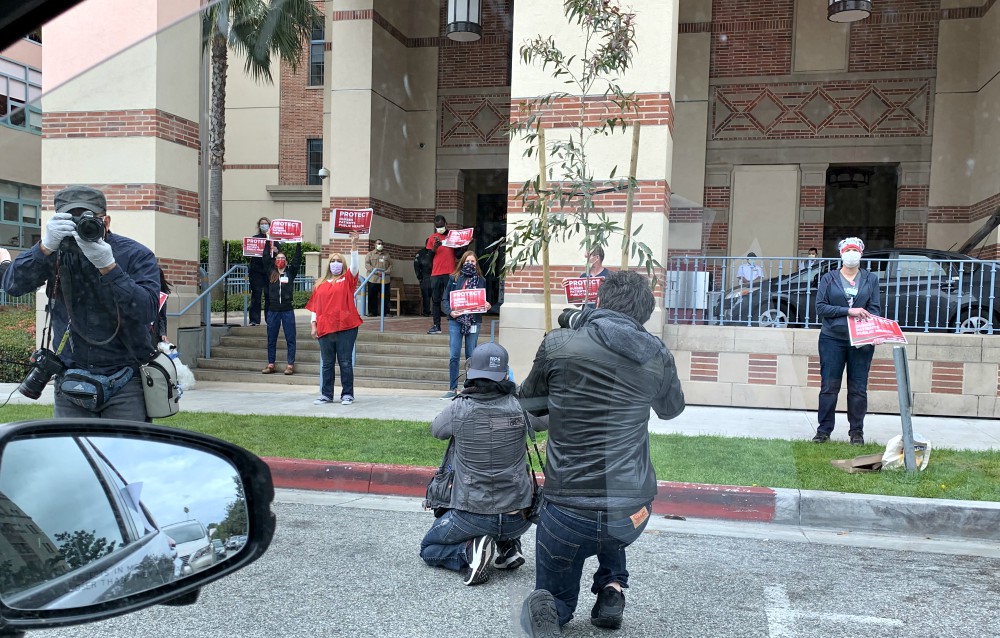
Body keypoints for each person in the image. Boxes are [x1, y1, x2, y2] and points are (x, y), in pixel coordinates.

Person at [518, 270, 685, 637]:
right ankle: (612, 588)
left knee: (553, 597)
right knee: (610, 520)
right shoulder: (656, 352)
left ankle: (555, 609)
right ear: (644, 312)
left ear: (600, 300)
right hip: (633, 514)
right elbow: (672, 409)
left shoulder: (558, 343)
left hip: (566, 511)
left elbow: (529, 403)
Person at [1, 185, 160, 421]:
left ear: (105, 221)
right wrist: (44, 247)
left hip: (125, 379)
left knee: (124, 455)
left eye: (87, 219)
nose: (78, 227)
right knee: (72, 456)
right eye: (69, 219)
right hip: (70, 379)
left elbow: (147, 310)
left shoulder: (135, 254)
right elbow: (13, 286)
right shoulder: (55, 251)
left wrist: (109, 267)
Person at [419, 342, 536, 586]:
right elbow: (547, 420)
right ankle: (509, 548)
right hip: (519, 517)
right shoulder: (521, 407)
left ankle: (469, 552)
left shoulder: (459, 408)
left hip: (473, 516)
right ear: (505, 375)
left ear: (471, 374)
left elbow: (436, 430)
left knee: (428, 547)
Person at [813, 236, 881, 446]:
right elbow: (820, 308)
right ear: (841, 254)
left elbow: (874, 309)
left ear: (861, 253)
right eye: (848, 250)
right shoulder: (829, 278)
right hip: (832, 339)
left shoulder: (871, 279)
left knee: (858, 388)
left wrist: (876, 331)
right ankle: (824, 430)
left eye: (855, 250)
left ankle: (856, 432)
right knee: (829, 386)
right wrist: (848, 311)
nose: (851, 254)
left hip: (861, 342)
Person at [306, 231, 362, 405]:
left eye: (339, 261)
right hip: (325, 327)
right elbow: (316, 307)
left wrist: (354, 245)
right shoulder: (320, 284)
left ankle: (347, 394)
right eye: (333, 261)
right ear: (328, 265)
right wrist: (313, 325)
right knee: (327, 363)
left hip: (346, 326)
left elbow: (354, 266)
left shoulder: (347, 280)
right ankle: (326, 394)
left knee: (345, 361)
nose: (335, 264)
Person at [440, 251, 491, 400]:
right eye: (467, 261)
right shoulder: (454, 278)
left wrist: (487, 305)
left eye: (473, 262)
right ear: (462, 262)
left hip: (474, 321)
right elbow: (445, 300)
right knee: (454, 355)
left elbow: (485, 301)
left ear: (476, 264)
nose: (470, 264)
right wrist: (450, 312)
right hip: (456, 321)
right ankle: (452, 388)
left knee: (471, 355)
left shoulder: (481, 280)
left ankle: (469, 386)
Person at [260, 239, 302, 376]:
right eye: (278, 258)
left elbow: (297, 260)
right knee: (271, 338)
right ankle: (271, 364)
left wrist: (298, 243)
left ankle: (290, 365)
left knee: (291, 337)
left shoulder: (290, 273)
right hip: (273, 311)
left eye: (283, 258)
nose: (280, 260)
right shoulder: (271, 272)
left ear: (286, 261)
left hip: (287, 310)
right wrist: (267, 241)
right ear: (275, 260)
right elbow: (265, 258)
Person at [426, 214, 456, 334]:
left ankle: (454, 325)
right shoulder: (432, 238)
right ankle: (436, 326)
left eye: (442, 226)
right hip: (436, 273)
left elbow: (458, 254)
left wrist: (466, 244)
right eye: (437, 226)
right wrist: (434, 248)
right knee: (436, 300)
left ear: (446, 224)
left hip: (450, 272)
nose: (440, 228)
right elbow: (428, 259)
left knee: (451, 300)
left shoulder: (453, 236)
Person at [247, 216, 271, 326]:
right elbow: (251, 252)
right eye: (262, 223)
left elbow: (280, 254)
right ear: (259, 225)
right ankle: (254, 320)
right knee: (256, 295)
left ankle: (270, 319)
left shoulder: (273, 239)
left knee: (269, 296)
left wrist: (275, 250)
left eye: (266, 223)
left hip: (269, 272)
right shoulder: (255, 238)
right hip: (256, 271)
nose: (264, 225)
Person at [364, 238, 392, 317]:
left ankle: (386, 312)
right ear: (375, 245)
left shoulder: (387, 255)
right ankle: (372, 312)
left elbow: (391, 265)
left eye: (381, 244)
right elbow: (367, 265)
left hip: (385, 279)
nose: (380, 245)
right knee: (372, 296)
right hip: (373, 279)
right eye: (378, 243)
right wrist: (375, 272)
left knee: (386, 297)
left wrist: (385, 272)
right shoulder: (370, 254)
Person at [414, 246, 433, 316]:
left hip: (435, 275)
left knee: (437, 294)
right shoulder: (421, 252)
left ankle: (438, 311)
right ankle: (426, 312)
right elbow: (416, 265)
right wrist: (419, 276)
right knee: (426, 295)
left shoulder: (436, 251)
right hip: (425, 276)